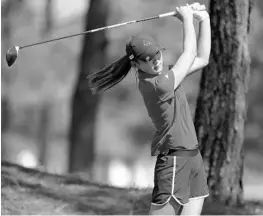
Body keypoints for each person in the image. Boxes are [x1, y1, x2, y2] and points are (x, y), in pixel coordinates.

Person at [88, 2, 211, 215]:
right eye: (148, 59)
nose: (155, 61)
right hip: (174, 161)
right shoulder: (158, 84)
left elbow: (202, 58)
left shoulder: (169, 75)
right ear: (136, 65)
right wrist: (187, 20)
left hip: (193, 158)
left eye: (156, 54)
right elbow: (189, 53)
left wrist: (204, 20)